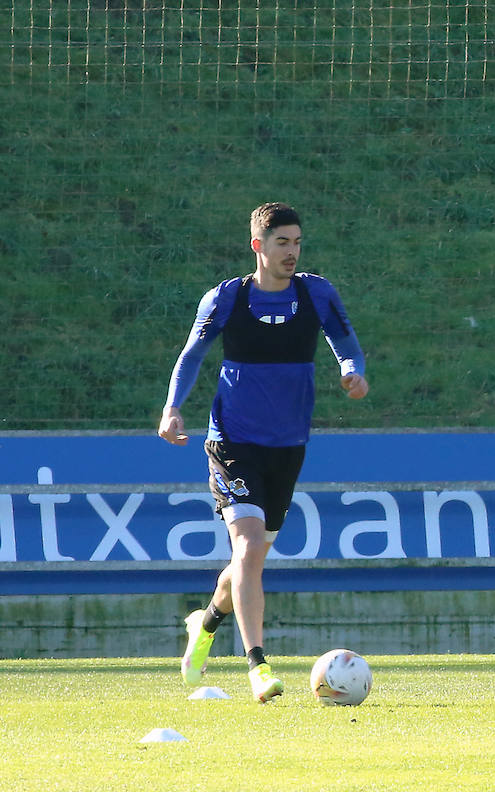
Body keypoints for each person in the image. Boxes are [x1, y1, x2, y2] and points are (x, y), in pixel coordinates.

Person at [158, 202, 369, 702]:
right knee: (249, 548)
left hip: (287, 446)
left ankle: (204, 623)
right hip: (232, 441)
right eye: (282, 243)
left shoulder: (316, 293)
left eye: (297, 242)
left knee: (246, 563)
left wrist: (349, 371)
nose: (291, 252)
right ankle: (258, 666)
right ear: (258, 246)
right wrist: (172, 409)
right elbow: (191, 356)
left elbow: (347, 343)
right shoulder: (228, 298)